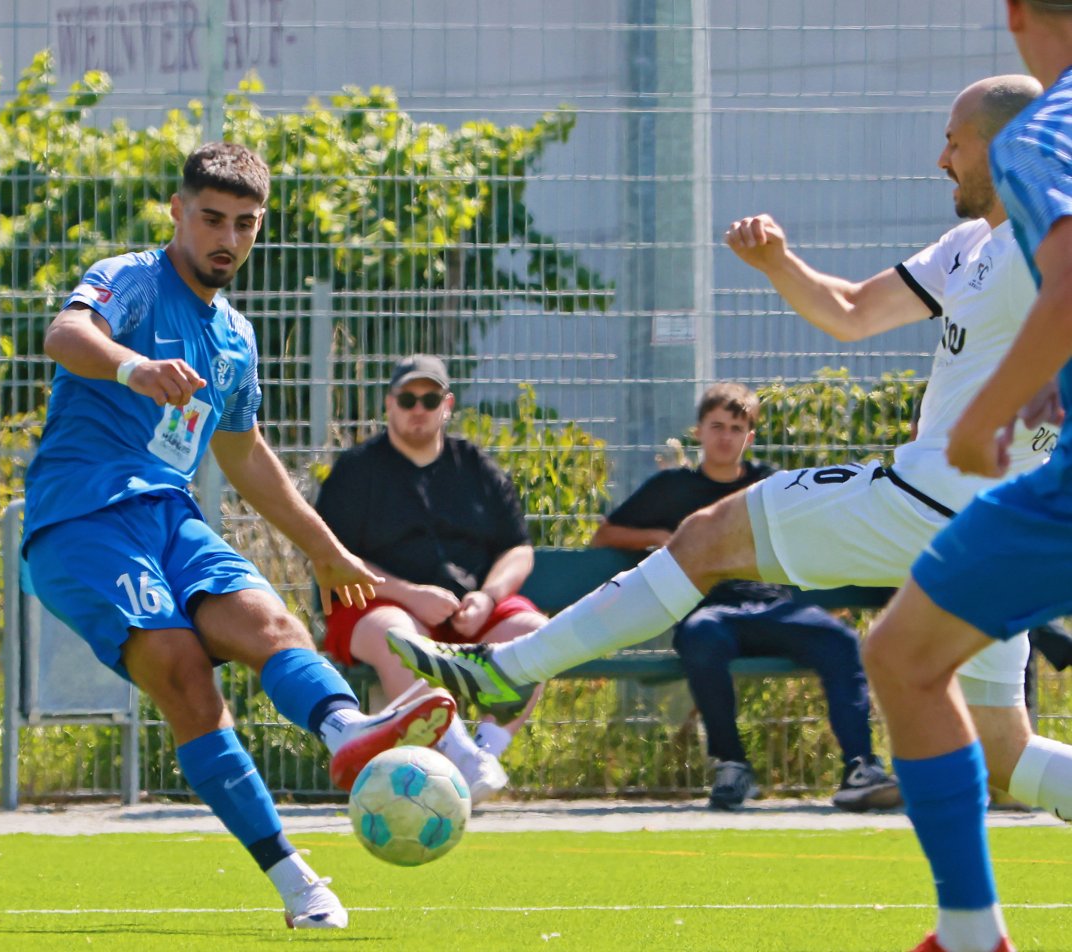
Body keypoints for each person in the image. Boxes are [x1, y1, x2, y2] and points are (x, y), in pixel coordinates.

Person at [386, 75, 1072, 838]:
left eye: (955, 139)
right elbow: (850, 312)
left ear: (1007, 146)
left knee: (708, 537)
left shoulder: (1051, 248)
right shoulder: (972, 243)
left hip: (935, 500)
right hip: (987, 531)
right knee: (1007, 757)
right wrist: (778, 262)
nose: (940, 156)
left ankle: (505, 670)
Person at [20, 142, 456, 931]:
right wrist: (132, 369)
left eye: (246, 225)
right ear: (178, 211)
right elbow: (64, 334)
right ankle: (296, 879)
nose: (228, 238)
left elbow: (243, 451)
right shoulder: (132, 280)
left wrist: (323, 547)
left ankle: (346, 731)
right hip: (80, 517)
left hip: (169, 517)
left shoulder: (234, 338)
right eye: (212, 218)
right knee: (185, 671)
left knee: (270, 625)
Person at [861, 2, 1072, 948]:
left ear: (1016, 14)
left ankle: (971, 933)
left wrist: (989, 409)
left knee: (903, 657)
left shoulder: (1041, 133)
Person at [592, 381, 899, 811]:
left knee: (840, 640)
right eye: (716, 426)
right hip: (712, 610)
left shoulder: (769, 483)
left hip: (775, 607)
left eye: (736, 428)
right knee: (698, 635)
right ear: (698, 431)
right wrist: (663, 536)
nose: (725, 436)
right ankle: (732, 765)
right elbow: (604, 535)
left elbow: (819, 530)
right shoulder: (672, 488)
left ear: (749, 437)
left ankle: (860, 768)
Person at [314, 354, 548, 804]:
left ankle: (486, 751)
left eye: (429, 398)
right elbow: (331, 563)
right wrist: (409, 596)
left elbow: (518, 549)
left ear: (447, 404)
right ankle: (459, 757)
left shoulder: (476, 467)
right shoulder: (356, 471)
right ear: (389, 404)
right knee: (401, 636)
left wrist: (487, 596)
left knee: (536, 633)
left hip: (468, 614)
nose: (417, 408)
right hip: (375, 606)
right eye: (407, 398)